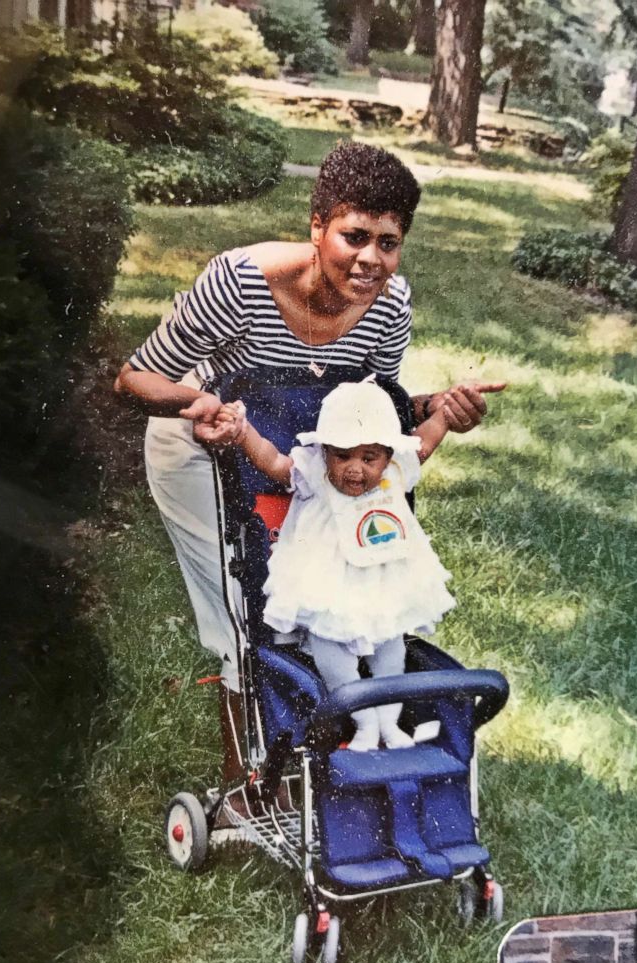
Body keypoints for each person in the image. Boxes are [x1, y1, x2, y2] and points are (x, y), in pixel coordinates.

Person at [114, 142, 505, 787]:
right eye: (355, 236)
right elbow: (135, 377)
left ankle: (324, 746)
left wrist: (439, 407)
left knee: (320, 592)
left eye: (389, 242)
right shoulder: (238, 282)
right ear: (317, 226)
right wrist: (202, 403)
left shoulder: (390, 303)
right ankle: (247, 782)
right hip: (205, 438)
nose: (371, 260)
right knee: (243, 604)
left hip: (304, 451)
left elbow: (375, 411)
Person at [212, 380, 456, 750]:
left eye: (368, 458)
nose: (355, 469)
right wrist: (245, 434)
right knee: (331, 653)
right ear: (324, 450)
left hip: (384, 586)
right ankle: (363, 721)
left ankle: (389, 722)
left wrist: (446, 415)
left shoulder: (396, 471)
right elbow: (273, 462)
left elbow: (424, 443)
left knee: (391, 650)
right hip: (328, 588)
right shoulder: (313, 472)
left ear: (388, 454)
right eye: (342, 456)